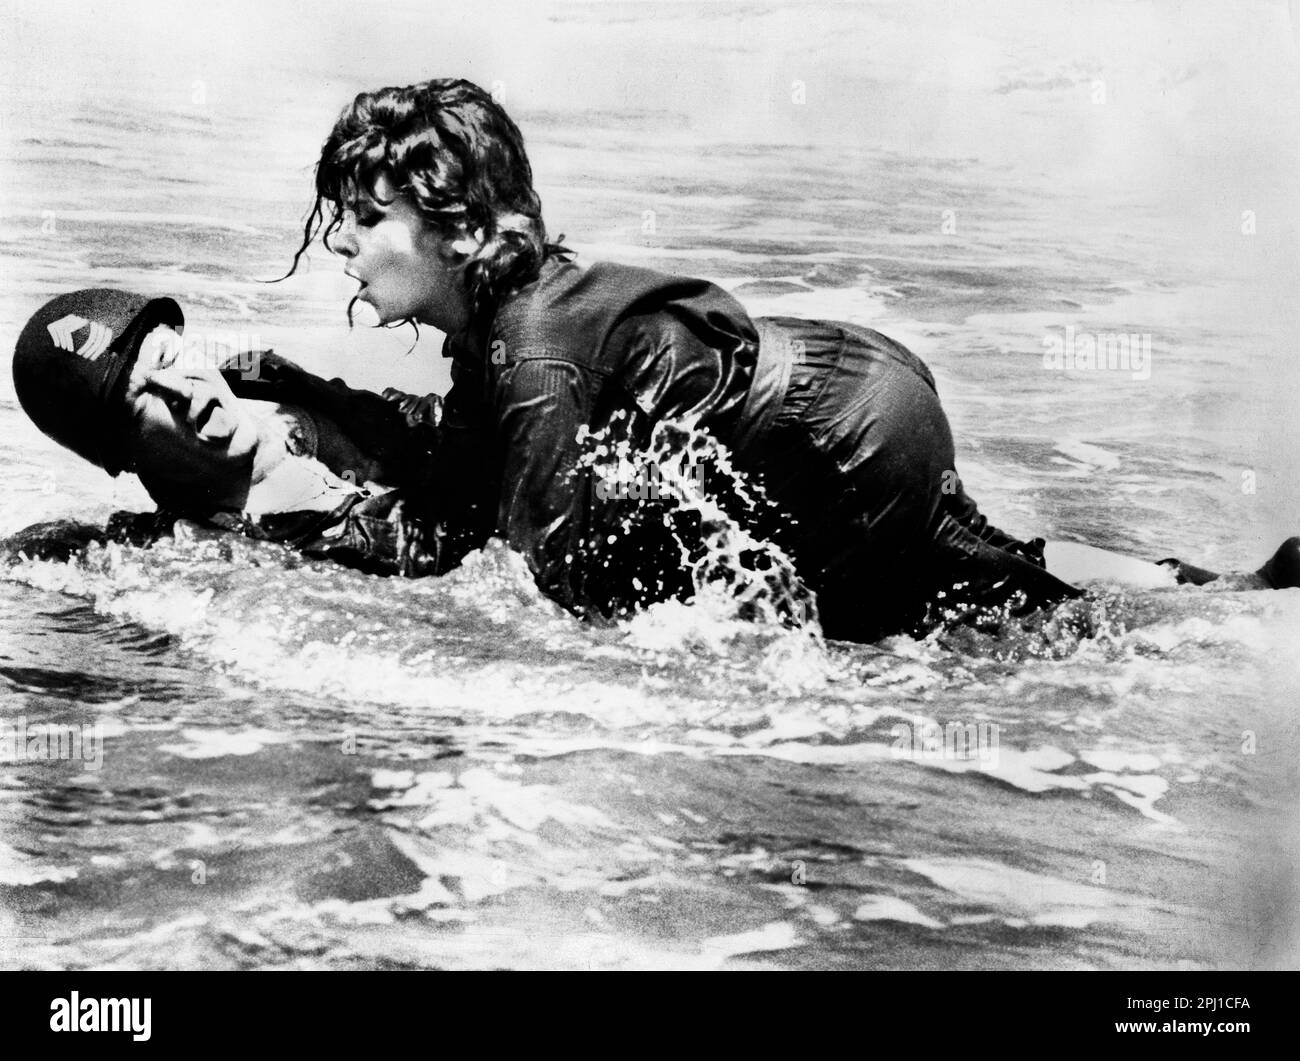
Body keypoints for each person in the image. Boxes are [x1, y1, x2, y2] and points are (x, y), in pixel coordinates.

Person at [278, 78, 1300, 642]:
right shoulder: (520, 317)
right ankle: (1228, 597)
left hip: (829, 436)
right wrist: (316, 403)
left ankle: (1201, 614)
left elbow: (539, 579)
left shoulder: (532, 350)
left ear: (455, 233)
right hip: (853, 384)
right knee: (983, 576)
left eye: (369, 219)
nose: (343, 244)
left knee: (926, 630)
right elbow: (472, 462)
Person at [7, 288, 468, 576]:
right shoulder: (227, 551)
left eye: (167, 357)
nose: (179, 390)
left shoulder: (269, 378)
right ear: (122, 457)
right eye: (141, 403)